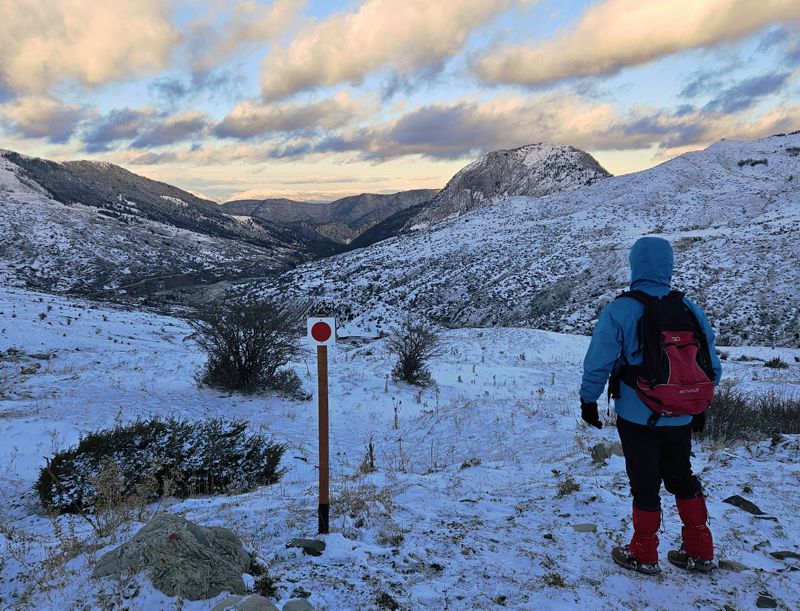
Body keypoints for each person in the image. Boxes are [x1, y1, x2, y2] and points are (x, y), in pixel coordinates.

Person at [579, 237, 722, 575]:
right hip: (683, 411)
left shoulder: (621, 308)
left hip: (636, 413)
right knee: (681, 476)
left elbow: (598, 362)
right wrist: (698, 403)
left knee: (644, 481)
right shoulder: (688, 307)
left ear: (635, 265)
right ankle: (700, 549)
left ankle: (643, 552)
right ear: (667, 266)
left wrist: (589, 399)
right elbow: (710, 363)